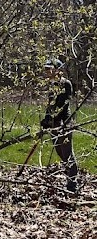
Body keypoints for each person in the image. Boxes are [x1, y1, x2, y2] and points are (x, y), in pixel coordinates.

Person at [41, 58, 78, 193]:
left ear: (58, 69)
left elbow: (64, 104)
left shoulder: (65, 84)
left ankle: (72, 183)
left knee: (67, 152)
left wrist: (61, 122)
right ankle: (69, 177)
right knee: (59, 152)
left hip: (64, 122)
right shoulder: (51, 85)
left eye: (50, 68)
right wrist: (46, 119)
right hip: (53, 123)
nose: (47, 71)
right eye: (46, 69)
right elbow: (50, 105)